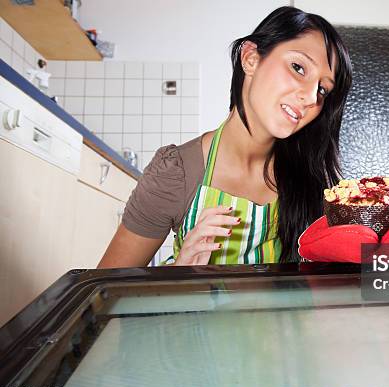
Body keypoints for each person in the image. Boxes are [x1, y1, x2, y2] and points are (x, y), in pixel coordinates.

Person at [97, 6, 353, 268]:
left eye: (322, 89)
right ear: (251, 58)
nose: (311, 98)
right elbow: (106, 291)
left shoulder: (311, 178)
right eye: (298, 68)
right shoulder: (176, 173)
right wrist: (176, 276)